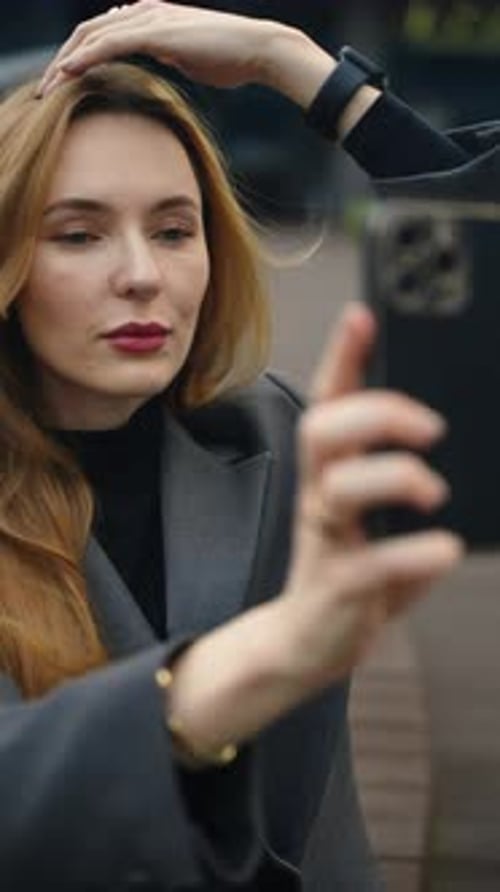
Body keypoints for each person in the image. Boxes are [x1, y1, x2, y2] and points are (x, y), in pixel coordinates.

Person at [2, 1, 494, 888]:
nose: (144, 275)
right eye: (78, 234)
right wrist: (258, 664)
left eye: (173, 229)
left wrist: (304, 70)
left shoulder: (281, 440)